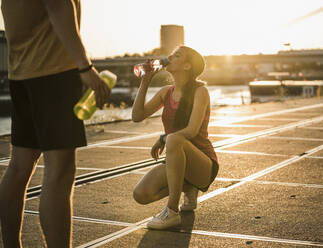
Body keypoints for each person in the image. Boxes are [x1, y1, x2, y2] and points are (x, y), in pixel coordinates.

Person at [0, 0, 111, 247]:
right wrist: (85, 66)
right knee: (59, 172)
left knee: (19, 167)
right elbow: (57, 5)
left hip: (21, 71)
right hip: (54, 72)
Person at [132, 46, 219, 230]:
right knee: (141, 194)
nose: (169, 57)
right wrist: (145, 82)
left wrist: (165, 138)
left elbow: (191, 131)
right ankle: (188, 186)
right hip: (177, 160)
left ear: (187, 66)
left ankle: (172, 211)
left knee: (173, 139)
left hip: (203, 165)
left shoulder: (200, 92)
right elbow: (137, 116)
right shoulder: (166, 92)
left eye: (176, 55)